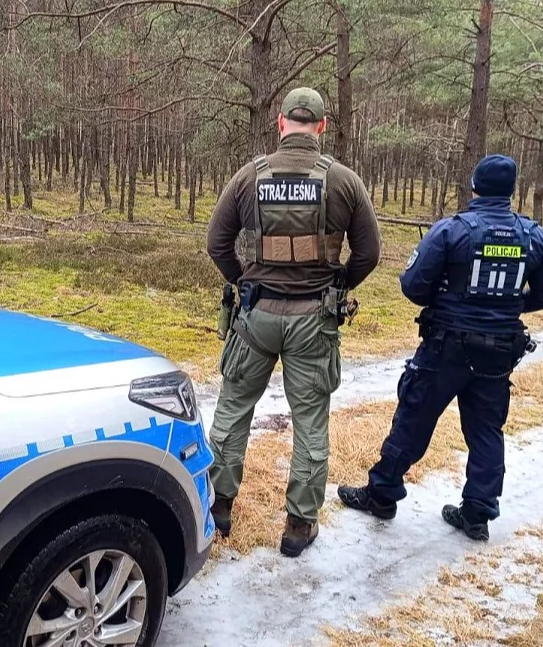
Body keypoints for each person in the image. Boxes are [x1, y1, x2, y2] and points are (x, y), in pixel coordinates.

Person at [337, 154, 543, 541]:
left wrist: (452, 302)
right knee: (487, 430)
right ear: (511, 191)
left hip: (446, 346)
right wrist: (509, 305)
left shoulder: (452, 230)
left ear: (474, 187)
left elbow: (412, 285)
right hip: (498, 352)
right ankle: (477, 513)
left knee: (413, 419)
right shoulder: (535, 236)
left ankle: (382, 494)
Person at [206, 87, 382, 557]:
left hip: (256, 317)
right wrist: (340, 282)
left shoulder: (250, 176)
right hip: (315, 320)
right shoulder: (344, 181)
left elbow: (216, 243)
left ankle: (218, 507)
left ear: (281, 123)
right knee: (310, 423)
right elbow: (370, 253)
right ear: (321, 127)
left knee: (232, 410)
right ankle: (299, 527)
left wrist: (243, 281)